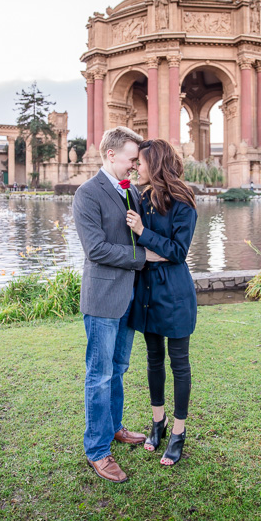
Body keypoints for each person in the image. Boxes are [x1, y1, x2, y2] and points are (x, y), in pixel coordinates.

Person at [72, 126, 165, 484]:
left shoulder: (132, 193)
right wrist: (144, 256)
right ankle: (97, 450)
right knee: (99, 375)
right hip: (102, 299)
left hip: (129, 298)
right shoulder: (87, 194)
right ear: (111, 155)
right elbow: (95, 249)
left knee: (119, 368)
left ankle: (114, 427)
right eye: (131, 158)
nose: (134, 165)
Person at [126, 139, 197, 466]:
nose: (135, 167)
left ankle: (179, 432)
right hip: (147, 293)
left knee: (178, 363)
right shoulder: (138, 197)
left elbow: (178, 253)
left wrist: (143, 231)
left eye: (140, 162)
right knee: (153, 359)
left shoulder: (184, 202)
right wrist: (154, 250)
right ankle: (159, 423)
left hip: (175, 293)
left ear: (154, 164)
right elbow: (143, 250)